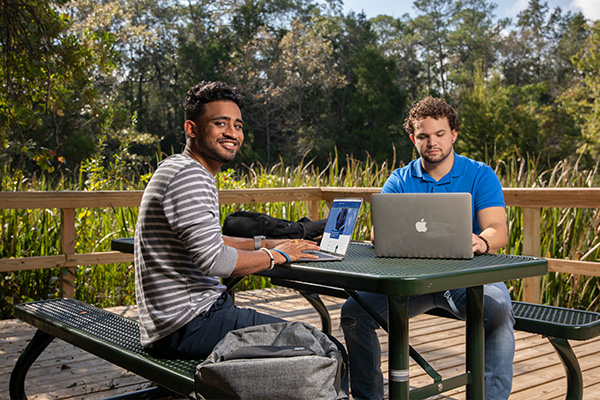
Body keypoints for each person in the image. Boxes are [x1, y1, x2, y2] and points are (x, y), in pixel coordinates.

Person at [134, 80, 323, 359]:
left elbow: (209, 242)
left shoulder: (179, 168)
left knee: (305, 342)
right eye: (220, 123)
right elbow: (215, 261)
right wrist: (279, 255)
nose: (232, 132)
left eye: (237, 125)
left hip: (177, 322)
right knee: (322, 347)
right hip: (189, 324)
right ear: (192, 128)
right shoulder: (190, 176)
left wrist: (264, 242)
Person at [340, 96, 512, 400]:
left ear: (454, 134)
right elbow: (380, 233)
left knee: (497, 309)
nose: (432, 142)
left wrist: (481, 240)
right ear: (413, 138)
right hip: (412, 282)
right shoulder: (399, 179)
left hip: (465, 279)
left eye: (439, 134)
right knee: (355, 313)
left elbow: (498, 230)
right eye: (423, 136)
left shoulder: (480, 174)